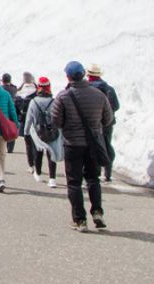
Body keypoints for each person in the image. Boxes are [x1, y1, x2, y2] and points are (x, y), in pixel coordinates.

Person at [51, 61, 113, 232]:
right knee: (93, 179)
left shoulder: (63, 96)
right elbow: (108, 119)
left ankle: (80, 219)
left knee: (74, 182)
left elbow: (56, 120)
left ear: (68, 76)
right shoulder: (99, 95)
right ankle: (97, 212)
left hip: (73, 144)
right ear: (84, 74)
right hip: (93, 143)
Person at [23, 76, 59, 186]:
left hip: (38, 131)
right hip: (51, 130)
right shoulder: (54, 101)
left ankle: (38, 174)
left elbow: (29, 119)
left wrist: (26, 132)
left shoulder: (34, 101)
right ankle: (52, 179)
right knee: (51, 153)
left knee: (38, 152)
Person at [87, 64, 120, 181]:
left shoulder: (85, 89)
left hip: (91, 123)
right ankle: (108, 173)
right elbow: (116, 106)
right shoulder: (109, 89)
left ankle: (93, 171)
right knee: (106, 145)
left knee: (90, 146)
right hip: (107, 123)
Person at [13, 72, 39, 178]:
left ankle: (31, 165)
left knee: (28, 144)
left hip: (24, 122)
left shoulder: (20, 93)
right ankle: (38, 164)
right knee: (36, 144)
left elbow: (16, 110)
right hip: (37, 122)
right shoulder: (37, 91)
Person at [1, 73, 19, 153]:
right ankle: (10, 148)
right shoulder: (14, 88)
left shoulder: (1, 89)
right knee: (11, 129)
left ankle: (2, 146)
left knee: (2, 129)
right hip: (12, 111)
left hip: (3, 111)